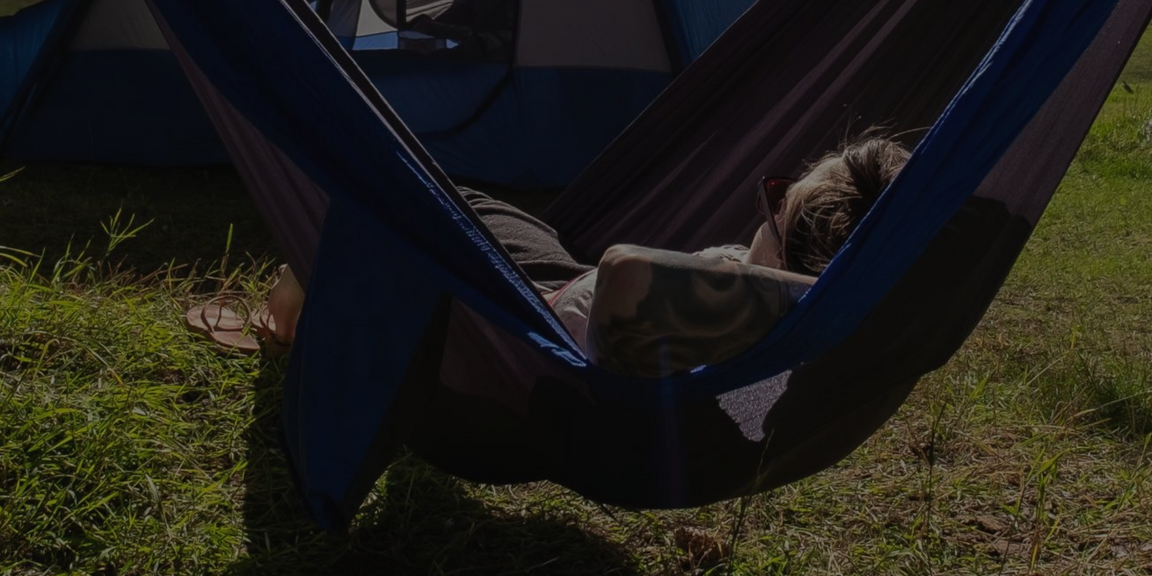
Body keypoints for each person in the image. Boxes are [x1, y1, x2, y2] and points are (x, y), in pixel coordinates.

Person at [205, 133, 910, 378]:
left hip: (508, 307)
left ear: (787, 252)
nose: (760, 202)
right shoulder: (800, 337)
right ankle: (296, 291)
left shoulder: (740, 305)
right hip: (553, 277)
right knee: (449, 192)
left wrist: (791, 291)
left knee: (387, 204)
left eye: (775, 201)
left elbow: (626, 273)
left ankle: (290, 312)